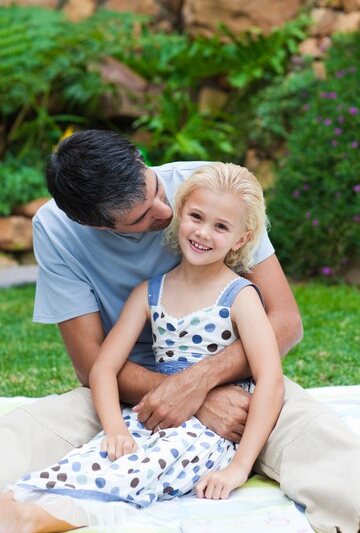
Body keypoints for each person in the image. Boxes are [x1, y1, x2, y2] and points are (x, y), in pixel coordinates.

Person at [0, 130, 360, 533]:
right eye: (142, 218)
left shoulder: (210, 190)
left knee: (310, 431)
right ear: (97, 227)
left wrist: (203, 384)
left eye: (156, 192)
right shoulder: (56, 230)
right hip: (128, 391)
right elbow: (93, 365)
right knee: (29, 428)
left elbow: (285, 319)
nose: (166, 214)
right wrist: (184, 397)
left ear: (140, 160)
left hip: (239, 381)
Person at [0, 162, 284, 531]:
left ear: (241, 239)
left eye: (221, 227)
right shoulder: (149, 292)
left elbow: (271, 381)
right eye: (196, 217)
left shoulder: (241, 297)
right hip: (149, 414)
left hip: (209, 430)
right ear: (181, 216)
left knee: (141, 471)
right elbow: (102, 367)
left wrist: (239, 467)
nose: (203, 233)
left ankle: (32, 518)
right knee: (94, 454)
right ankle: (19, 500)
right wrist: (116, 428)